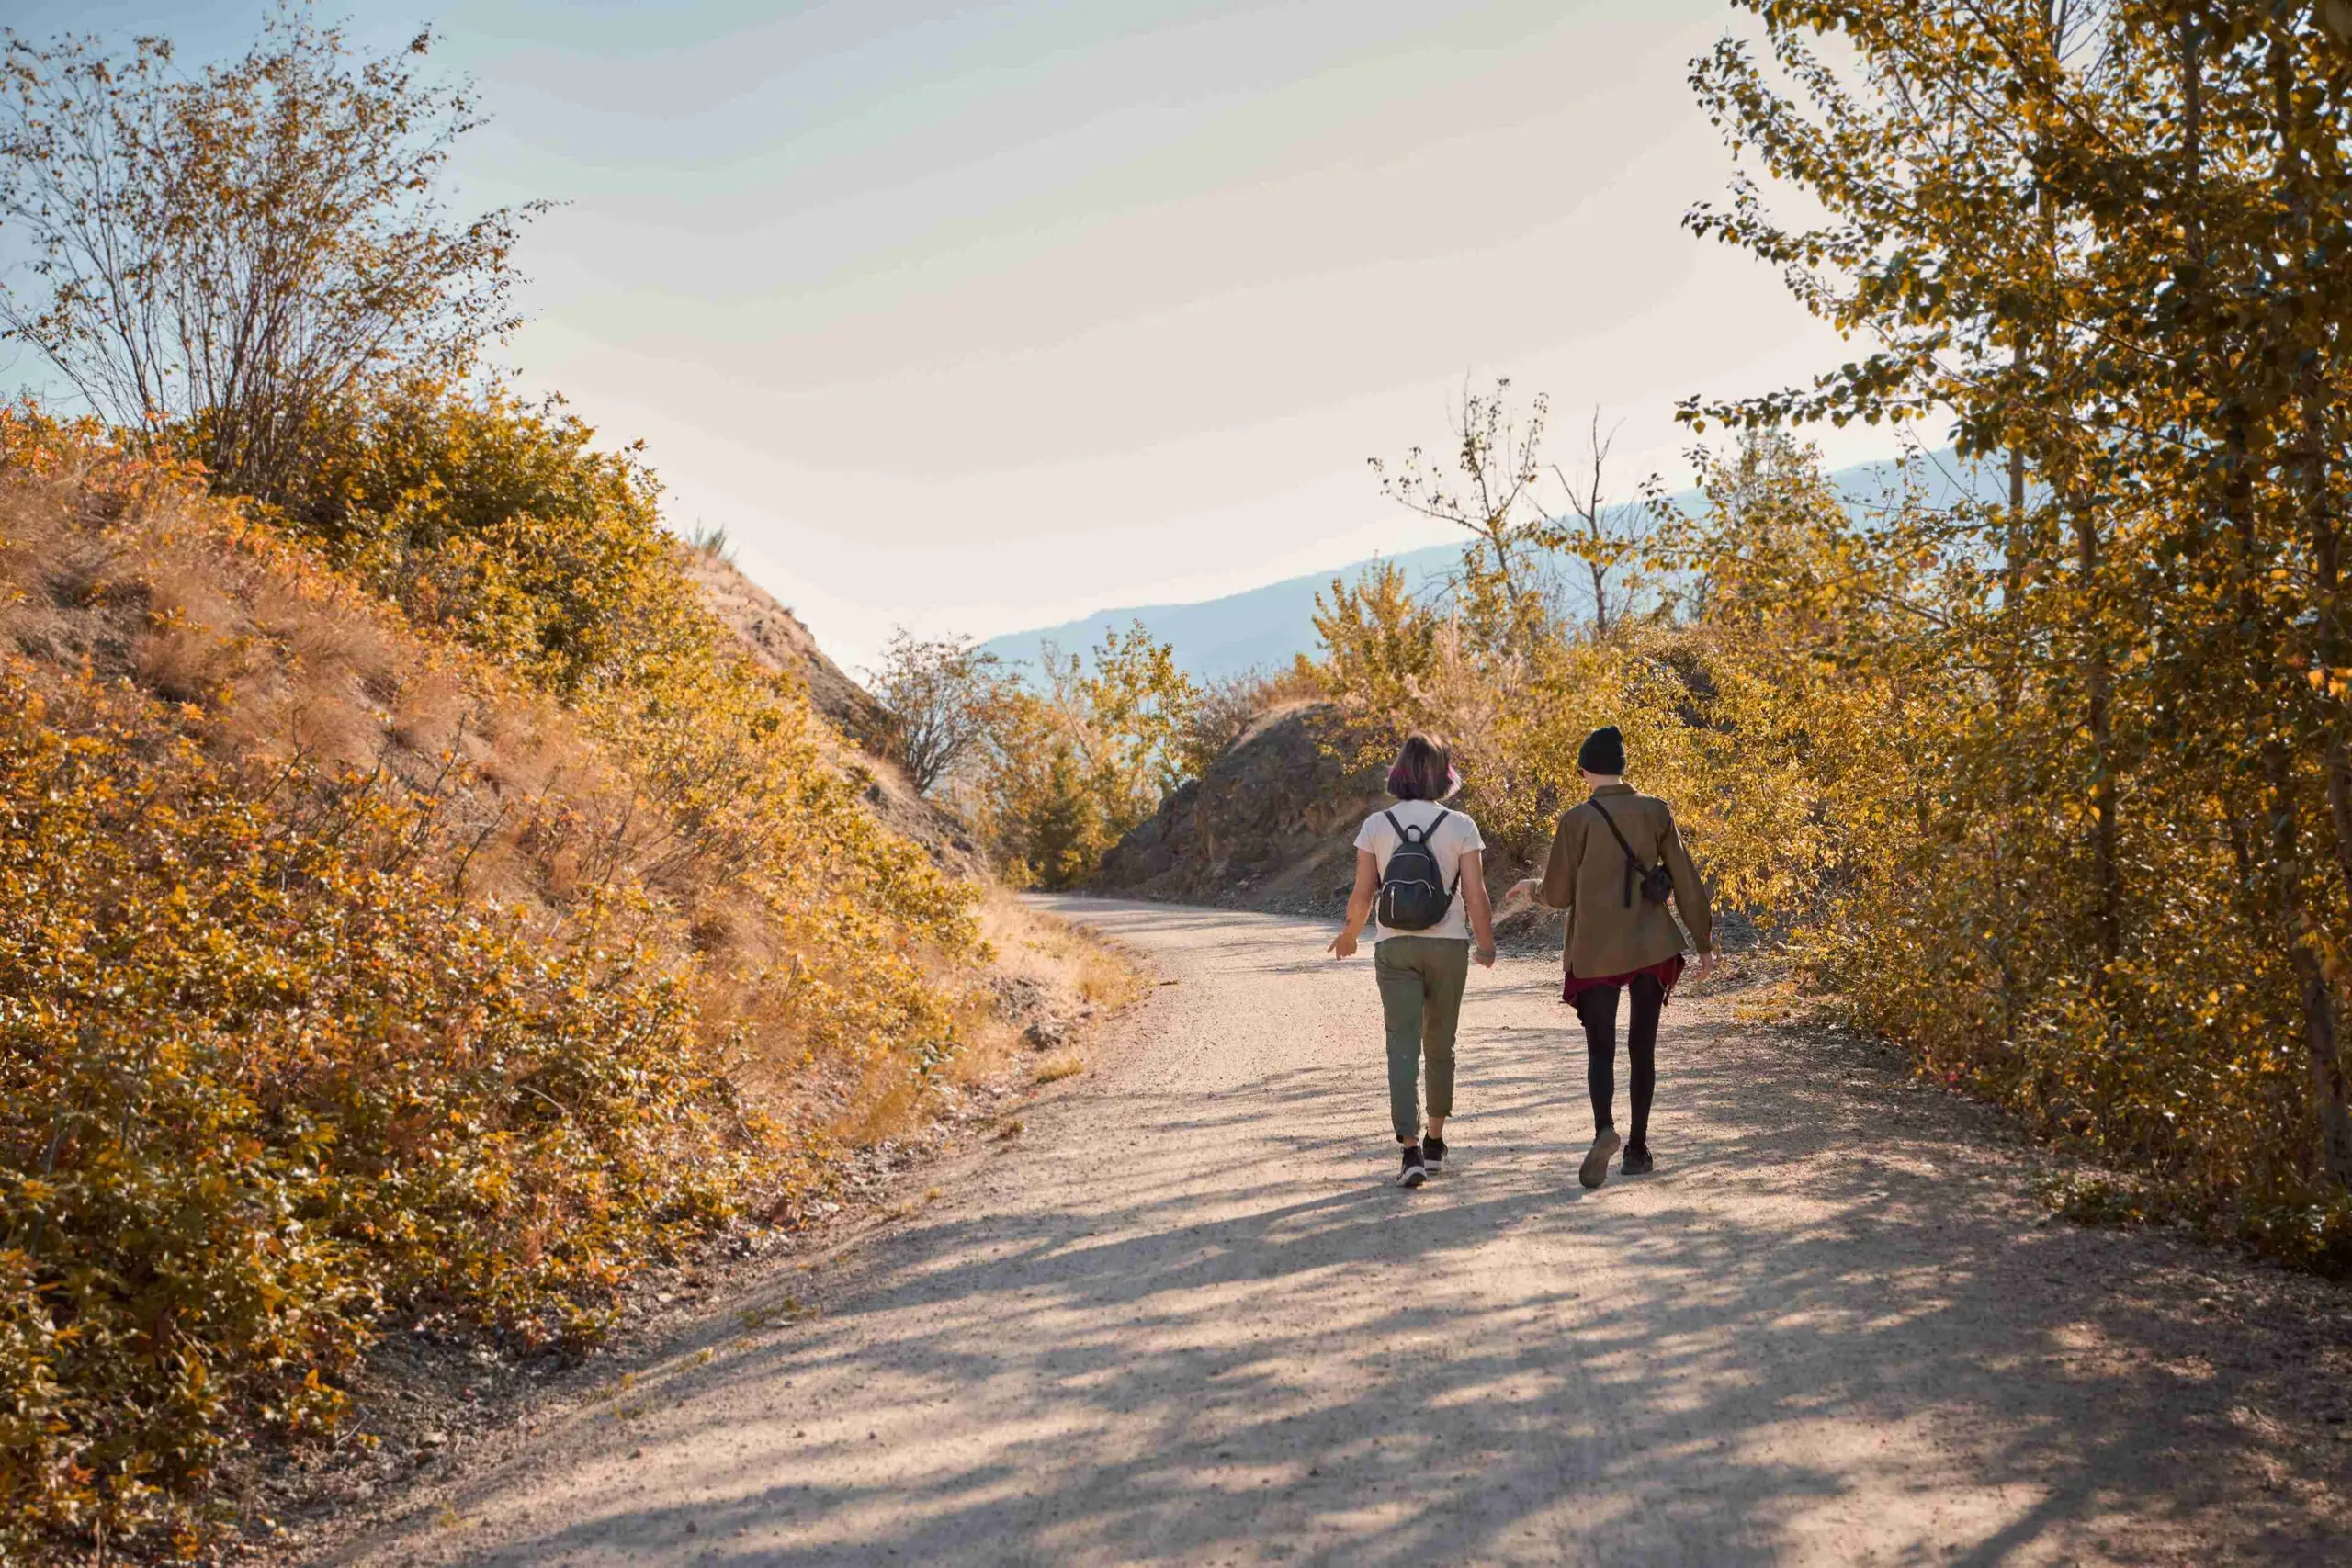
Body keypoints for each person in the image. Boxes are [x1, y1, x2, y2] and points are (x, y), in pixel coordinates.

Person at [1511, 725, 1715, 1190]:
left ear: (1584, 770)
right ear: (1624, 769)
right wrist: (1702, 943)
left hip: (1595, 949)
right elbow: (1685, 878)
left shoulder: (1576, 820)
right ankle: (1638, 1150)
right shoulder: (1655, 810)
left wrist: (1533, 891)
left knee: (1600, 1051)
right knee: (1642, 1049)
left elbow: (1560, 894)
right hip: (1652, 945)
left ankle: (1605, 1129)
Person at [1329, 733, 1498, 1188]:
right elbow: (1477, 896)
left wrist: (1348, 935)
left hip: (1395, 947)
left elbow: (1364, 892)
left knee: (1401, 1046)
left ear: (1399, 772)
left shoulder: (1377, 825)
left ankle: (1410, 1152)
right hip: (1448, 947)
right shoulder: (1461, 824)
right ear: (1445, 774)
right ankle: (1436, 1141)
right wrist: (1485, 943)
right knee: (1441, 1043)